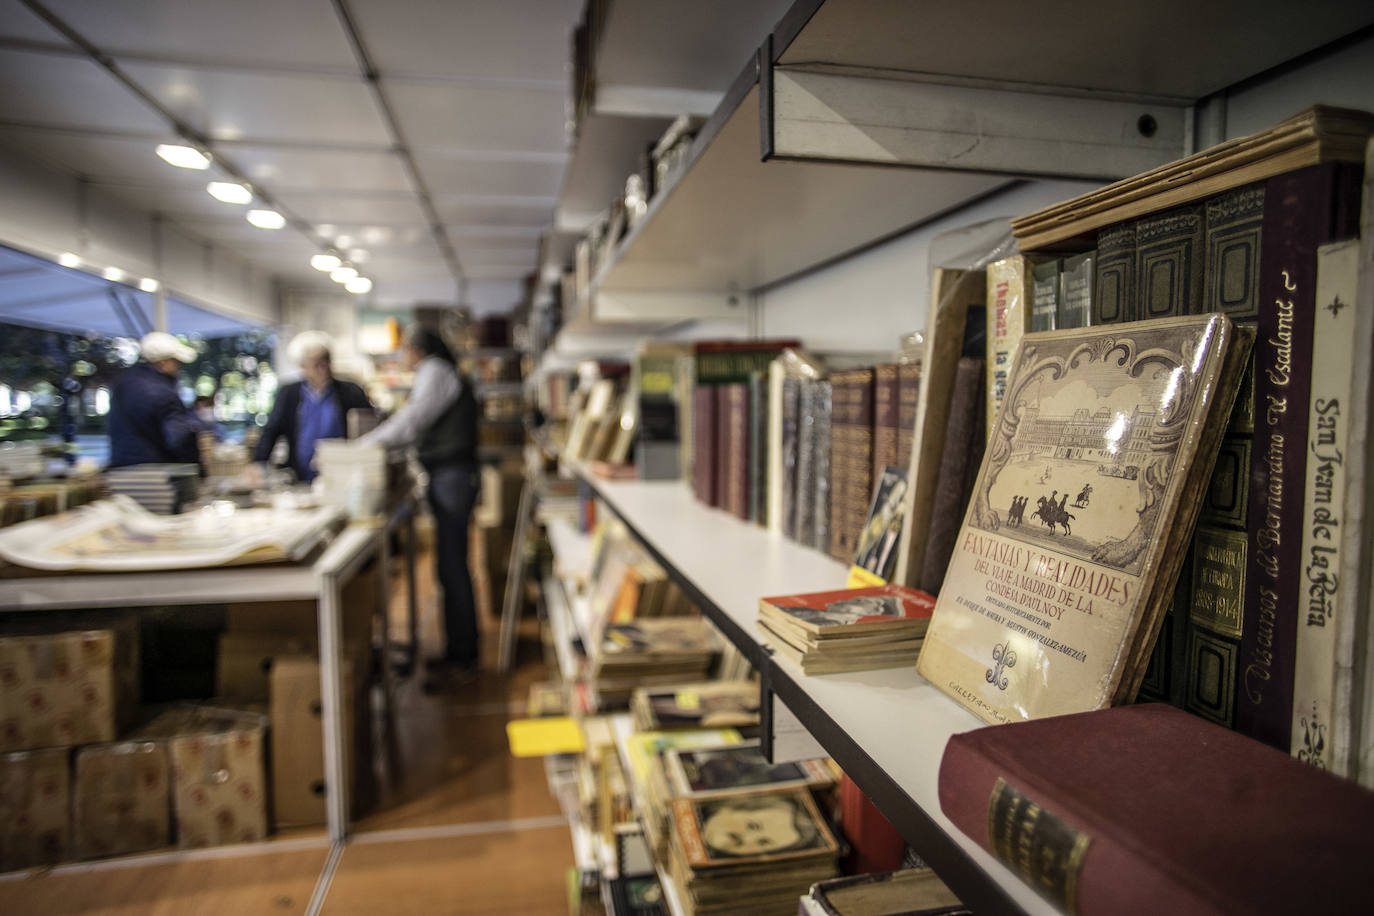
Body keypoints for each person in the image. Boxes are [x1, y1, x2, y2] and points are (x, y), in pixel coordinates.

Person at [359, 326, 480, 691]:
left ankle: (464, 658)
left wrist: (365, 447)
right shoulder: (442, 371)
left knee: (452, 567)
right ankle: (459, 652)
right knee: (449, 565)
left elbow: (413, 419)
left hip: (452, 477)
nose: (403, 359)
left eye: (405, 351)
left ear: (416, 350)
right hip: (452, 476)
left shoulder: (435, 372)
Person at [254, 331, 372, 483]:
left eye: (326, 362)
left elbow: (368, 428)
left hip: (342, 473)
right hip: (300, 474)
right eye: (316, 364)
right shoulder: (289, 393)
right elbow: (271, 430)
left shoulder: (351, 392)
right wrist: (258, 463)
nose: (323, 369)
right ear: (303, 367)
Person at [107, 331, 203, 469]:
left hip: (121, 470)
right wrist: (197, 468)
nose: (178, 368)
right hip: (157, 475)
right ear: (163, 363)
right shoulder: (164, 394)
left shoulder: (121, 385)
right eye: (176, 362)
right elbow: (180, 440)